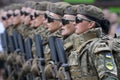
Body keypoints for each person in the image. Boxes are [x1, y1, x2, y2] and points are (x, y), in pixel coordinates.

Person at [74, 5, 118, 80]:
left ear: (91, 24)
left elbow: (109, 77)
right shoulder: (82, 45)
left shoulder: (98, 46)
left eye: (78, 20)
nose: (74, 23)